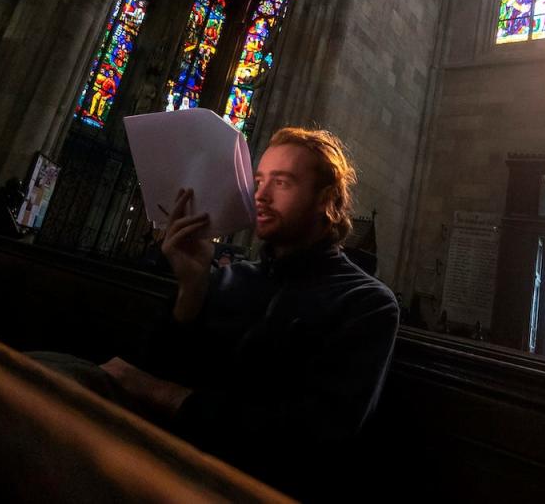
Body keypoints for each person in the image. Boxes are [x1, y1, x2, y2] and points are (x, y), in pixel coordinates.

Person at [98, 127, 400, 497]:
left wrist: (168, 396)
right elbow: (158, 367)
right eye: (258, 181)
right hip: (160, 461)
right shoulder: (229, 278)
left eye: (282, 182)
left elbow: (313, 437)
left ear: (326, 199)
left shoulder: (366, 302)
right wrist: (191, 288)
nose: (260, 195)